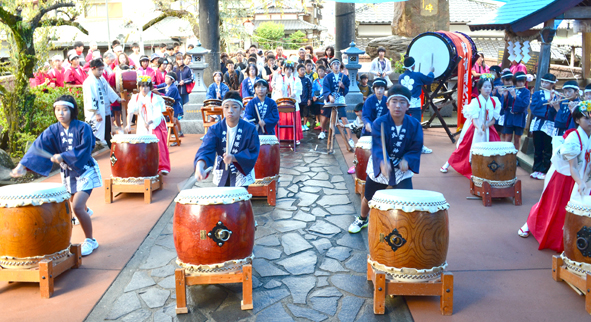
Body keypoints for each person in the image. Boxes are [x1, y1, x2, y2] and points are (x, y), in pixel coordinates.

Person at [11, 95, 102, 256]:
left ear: (72, 111)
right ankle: (86, 211)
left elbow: (86, 148)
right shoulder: (53, 130)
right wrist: (21, 166)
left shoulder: (83, 128)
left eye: (65, 110)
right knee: (76, 201)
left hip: (85, 171)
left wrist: (64, 156)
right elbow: (38, 145)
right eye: (58, 110)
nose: (61, 113)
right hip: (68, 173)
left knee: (76, 207)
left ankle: (90, 240)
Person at [348, 85, 423, 233]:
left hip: (402, 169)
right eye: (394, 101)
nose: (398, 106)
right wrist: (382, 162)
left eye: (402, 102)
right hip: (381, 167)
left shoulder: (414, 125)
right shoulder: (379, 123)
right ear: (387, 104)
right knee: (369, 198)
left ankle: (401, 228)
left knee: (406, 200)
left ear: (408, 106)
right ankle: (362, 219)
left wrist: (407, 159)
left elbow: (416, 147)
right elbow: (377, 147)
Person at [519, 102, 591, 252]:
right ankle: (531, 224)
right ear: (577, 120)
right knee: (552, 206)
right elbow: (573, 167)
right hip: (565, 177)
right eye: (587, 119)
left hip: (583, 177)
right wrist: (580, 182)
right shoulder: (573, 138)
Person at [194, 91, 261, 186]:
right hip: (222, 168)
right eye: (226, 107)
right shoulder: (215, 129)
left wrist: (234, 158)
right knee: (222, 198)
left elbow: (253, 151)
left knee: (239, 199)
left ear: (242, 110)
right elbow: (206, 149)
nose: (230, 110)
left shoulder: (250, 129)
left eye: (234, 107)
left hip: (241, 170)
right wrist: (199, 166)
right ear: (222, 109)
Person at [441, 75, 501, 176]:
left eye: (489, 87)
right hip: (474, 129)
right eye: (485, 87)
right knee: (463, 148)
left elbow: (494, 120)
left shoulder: (495, 101)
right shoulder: (475, 101)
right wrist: (479, 128)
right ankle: (448, 164)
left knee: (492, 149)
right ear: (480, 88)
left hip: (488, 129)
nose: (487, 89)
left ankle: (484, 169)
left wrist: (486, 126)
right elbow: (475, 120)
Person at [125, 76, 171, 175]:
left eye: (146, 86)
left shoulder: (155, 97)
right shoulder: (136, 97)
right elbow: (131, 111)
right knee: (142, 144)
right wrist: (128, 124)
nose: (144, 89)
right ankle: (145, 166)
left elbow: (158, 113)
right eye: (142, 86)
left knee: (158, 144)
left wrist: (150, 122)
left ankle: (162, 166)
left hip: (155, 122)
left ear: (150, 87)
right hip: (142, 122)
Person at [83, 58, 121, 148]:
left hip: (105, 108)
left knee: (107, 128)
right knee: (95, 131)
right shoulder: (88, 82)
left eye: (102, 69)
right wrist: (97, 113)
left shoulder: (102, 79)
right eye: (99, 70)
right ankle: (94, 147)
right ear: (93, 68)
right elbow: (90, 98)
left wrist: (118, 99)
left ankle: (110, 145)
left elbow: (109, 90)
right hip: (97, 111)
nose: (101, 72)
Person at [399, 56, 434, 154]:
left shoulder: (400, 77)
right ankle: (420, 146)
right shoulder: (417, 75)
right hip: (414, 105)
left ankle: (403, 146)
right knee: (417, 126)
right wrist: (431, 71)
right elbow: (429, 80)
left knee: (403, 125)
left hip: (404, 105)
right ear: (413, 66)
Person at [320, 58, 354, 149]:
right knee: (325, 117)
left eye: (337, 64)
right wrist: (329, 96)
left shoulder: (344, 77)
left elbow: (346, 89)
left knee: (344, 118)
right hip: (330, 98)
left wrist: (342, 86)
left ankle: (350, 138)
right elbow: (325, 88)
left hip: (340, 98)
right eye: (334, 64)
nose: (336, 66)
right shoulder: (328, 77)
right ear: (331, 66)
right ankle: (322, 131)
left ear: (340, 66)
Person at [530, 73, 558, 180]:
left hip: (550, 123)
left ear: (552, 84)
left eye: (546, 82)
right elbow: (534, 108)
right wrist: (546, 102)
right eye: (543, 82)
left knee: (547, 148)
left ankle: (544, 170)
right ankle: (536, 168)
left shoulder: (556, 95)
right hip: (538, 122)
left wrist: (553, 105)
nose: (544, 84)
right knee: (538, 146)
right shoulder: (537, 94)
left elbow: (555, 111)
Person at [273, 61, 304, 145]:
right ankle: (281, 137)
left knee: (294, 120)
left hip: (292, 102)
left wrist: (292, 95)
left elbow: (297, 90)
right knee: (282, 119)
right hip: (283, 102)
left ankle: (296, 138)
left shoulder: (296, 79)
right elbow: (280, 90)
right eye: (287, 69)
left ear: (292, 70)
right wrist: (284, 100)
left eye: (290, 69)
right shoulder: (281, 79)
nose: (288, 71)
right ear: (284, 70)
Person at [501, 71, 529, 150]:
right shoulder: (510, 88)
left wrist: (516, 96)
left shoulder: (526, 91)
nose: (520, 84)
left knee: (517, 137)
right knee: (508, 136)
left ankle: (514, 156)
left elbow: (525, 104)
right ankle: (506, 154)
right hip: (509, 116)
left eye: (522, 82)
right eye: (518, 81)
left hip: (519, 116)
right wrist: (505, 96)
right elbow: (503, 106)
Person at [155, 71, 183, 145]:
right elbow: (157, 87)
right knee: (172, 122)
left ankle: (176, 138)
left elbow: (167, 97)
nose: (166, 79)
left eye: (168, 78)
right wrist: (151, 86)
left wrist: (157, 93)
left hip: (175, 106)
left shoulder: (173, 88)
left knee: (173, 122)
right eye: (166, 77)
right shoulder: (165, 85)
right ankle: (175, 136)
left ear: (172, 80)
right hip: (169, 106)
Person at [173, 53, 194, 132]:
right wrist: (178, 82)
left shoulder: (187, 68)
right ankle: (180, 128)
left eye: (182, 59)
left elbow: (191, 78)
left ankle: (187, 121)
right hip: (177, 91)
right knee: (180, 106)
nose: (181, 61)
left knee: (186, 104)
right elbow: (172, 79)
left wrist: (184, 81)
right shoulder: (174, 69)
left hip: (186, 90)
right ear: (176, 60)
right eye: (179, 59)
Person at [298, 64, 313, 132]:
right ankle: (300, 125)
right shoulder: (296, 79)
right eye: (301, 70)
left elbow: (310, 90)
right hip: (298, 99)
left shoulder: (307, 79)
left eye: (303, 69)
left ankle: (304, 124)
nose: (302, 71)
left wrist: (310, 99)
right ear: (298, 71)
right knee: (299, 113)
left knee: (306, 113)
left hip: (306, 99)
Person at [311, 65, 326, 131]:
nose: (320, 73)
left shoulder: (326, 80)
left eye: (322, 71)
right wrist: (313, 96)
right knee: (317, 112)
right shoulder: (315, 81)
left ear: (324, 72)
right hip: (316, 99)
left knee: (323, 113)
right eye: (319, 71)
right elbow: (313, 89)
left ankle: (323, 126)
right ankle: (319, 124)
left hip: (323, 99)